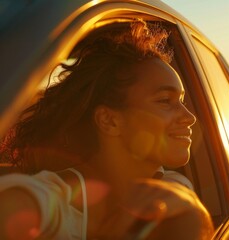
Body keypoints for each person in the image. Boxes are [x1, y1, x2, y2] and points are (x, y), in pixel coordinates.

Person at [0, 20, 214, 239]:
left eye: (182, 101)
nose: (190, 117)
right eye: (165, 101)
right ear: (109, 121)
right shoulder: (44, 203)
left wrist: (197, 215)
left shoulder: (173, 190)